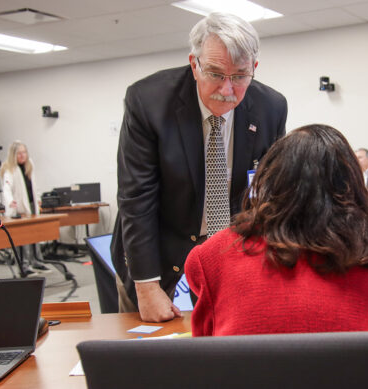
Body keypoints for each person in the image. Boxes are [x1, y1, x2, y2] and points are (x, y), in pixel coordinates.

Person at [111, 12, 288, 323]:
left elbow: (270, 196)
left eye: (240, 76)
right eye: (216, 74)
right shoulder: (148, 101)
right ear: (194, 64)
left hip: (229, 248)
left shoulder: (270, 107)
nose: (227, 89)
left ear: (254, 69)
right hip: (154, 248)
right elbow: (136, 199)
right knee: (142, 346)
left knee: (224, 343)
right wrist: (146, 285)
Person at [185, 124, 368, 336]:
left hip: (245, 374)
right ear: (352, 185)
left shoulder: (212, 255)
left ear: (270, 178)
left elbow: (204, 349)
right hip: (351, 374)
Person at [0, 141, 51, 275]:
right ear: (13, 155)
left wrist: (38, 199)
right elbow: (6, 188)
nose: (22, 156)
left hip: (31, 206)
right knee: (22, 240)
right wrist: (10, 201)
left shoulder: (30, 165)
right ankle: (24, 266)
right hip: (18, 210)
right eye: (19, 153)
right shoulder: (9, 168)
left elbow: (34, 185)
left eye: (24, 152)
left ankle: (36, 261)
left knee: (34, 236)